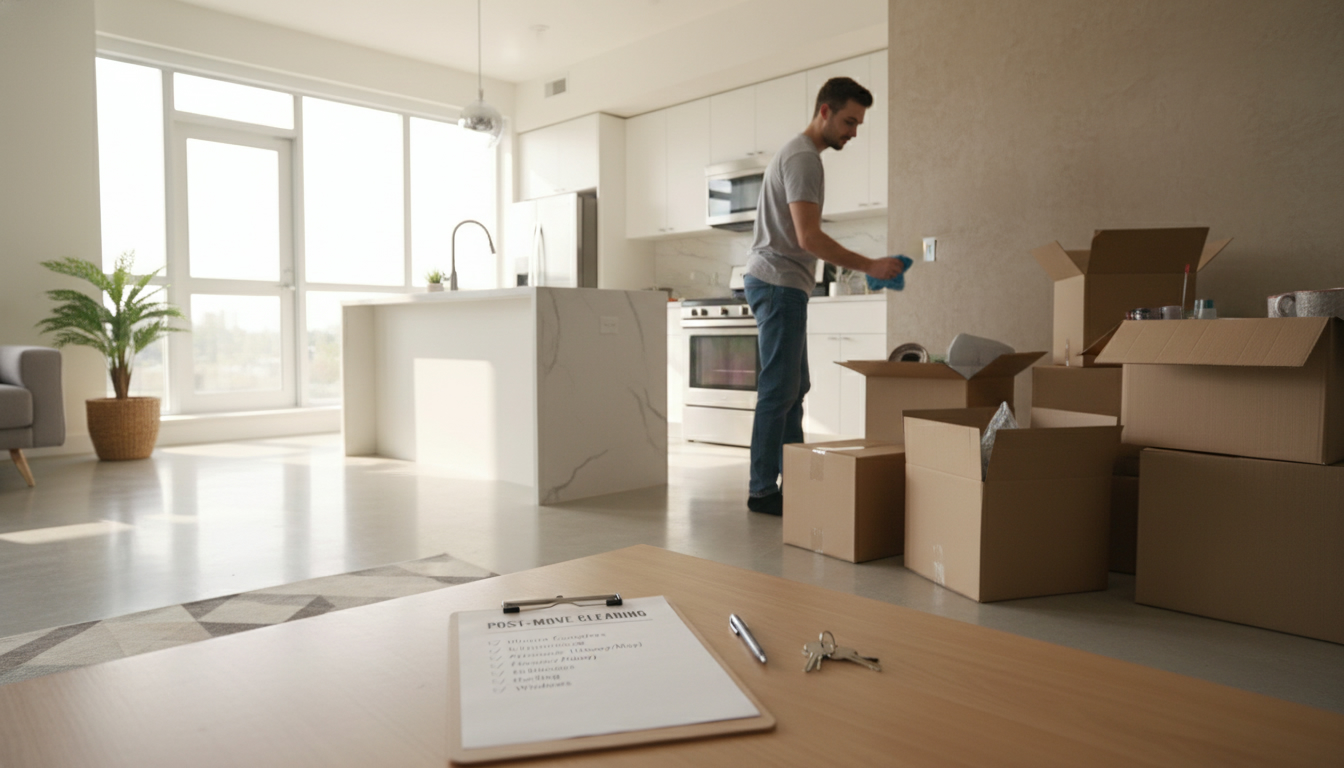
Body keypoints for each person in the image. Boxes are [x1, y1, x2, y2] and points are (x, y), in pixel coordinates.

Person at [743, 76, 903, 516]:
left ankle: (790, 479)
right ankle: (763, 490)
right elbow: (809, 237)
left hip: (781, 283)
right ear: (825, 112)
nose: (853, 132)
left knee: (795, 386)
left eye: (859, 124)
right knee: (779, 390)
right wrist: (870, 265)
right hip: (778, 283)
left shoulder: (803, 155)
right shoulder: (803, 159)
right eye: (850, 121)